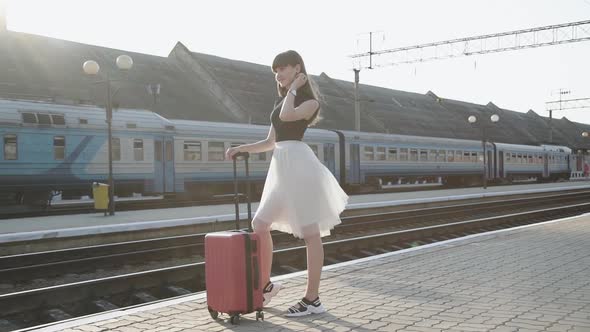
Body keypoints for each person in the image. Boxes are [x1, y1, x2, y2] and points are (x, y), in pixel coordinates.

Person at [225, 50, 349, 317]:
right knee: (260, 224)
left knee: (310, 233)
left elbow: (289, 117)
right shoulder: (282, 102)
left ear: (297, 69)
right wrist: (241, 148)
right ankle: (266, 285)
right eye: (276, 71)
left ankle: (312, 299)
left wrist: (293, 88)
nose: (279, 75)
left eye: (283, 69)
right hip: (281, 167)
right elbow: (270, 142)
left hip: (300, 167)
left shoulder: (309, 102)